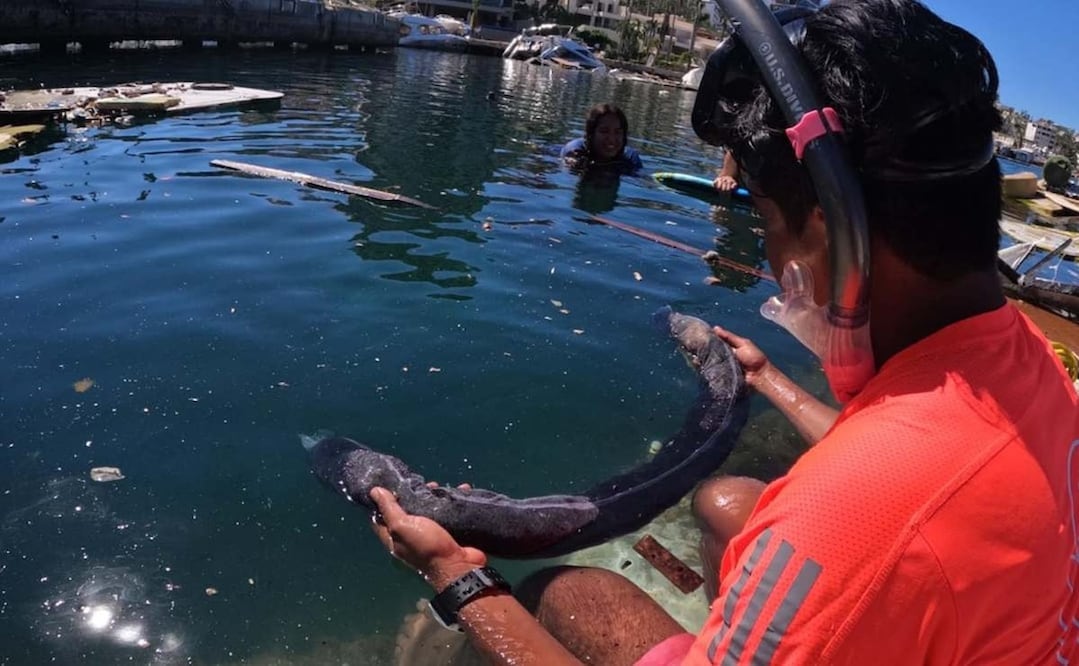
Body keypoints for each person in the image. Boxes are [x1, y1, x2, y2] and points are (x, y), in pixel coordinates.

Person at [368, 0, 1079, 664]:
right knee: (726, 502)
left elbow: (881, 503)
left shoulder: (847, 519)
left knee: (566, 594)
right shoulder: (1022, 361)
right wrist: (766, 376)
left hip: (867, 567)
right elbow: (918, 482)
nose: (771, 260)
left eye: (766, 218)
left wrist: (455, 574)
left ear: (829, 230)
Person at [561, 103, 643, 174]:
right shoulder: (575, 152)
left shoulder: (629, 159)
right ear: (591, 133)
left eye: (618, 132)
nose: (611, 139)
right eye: (604, 131)